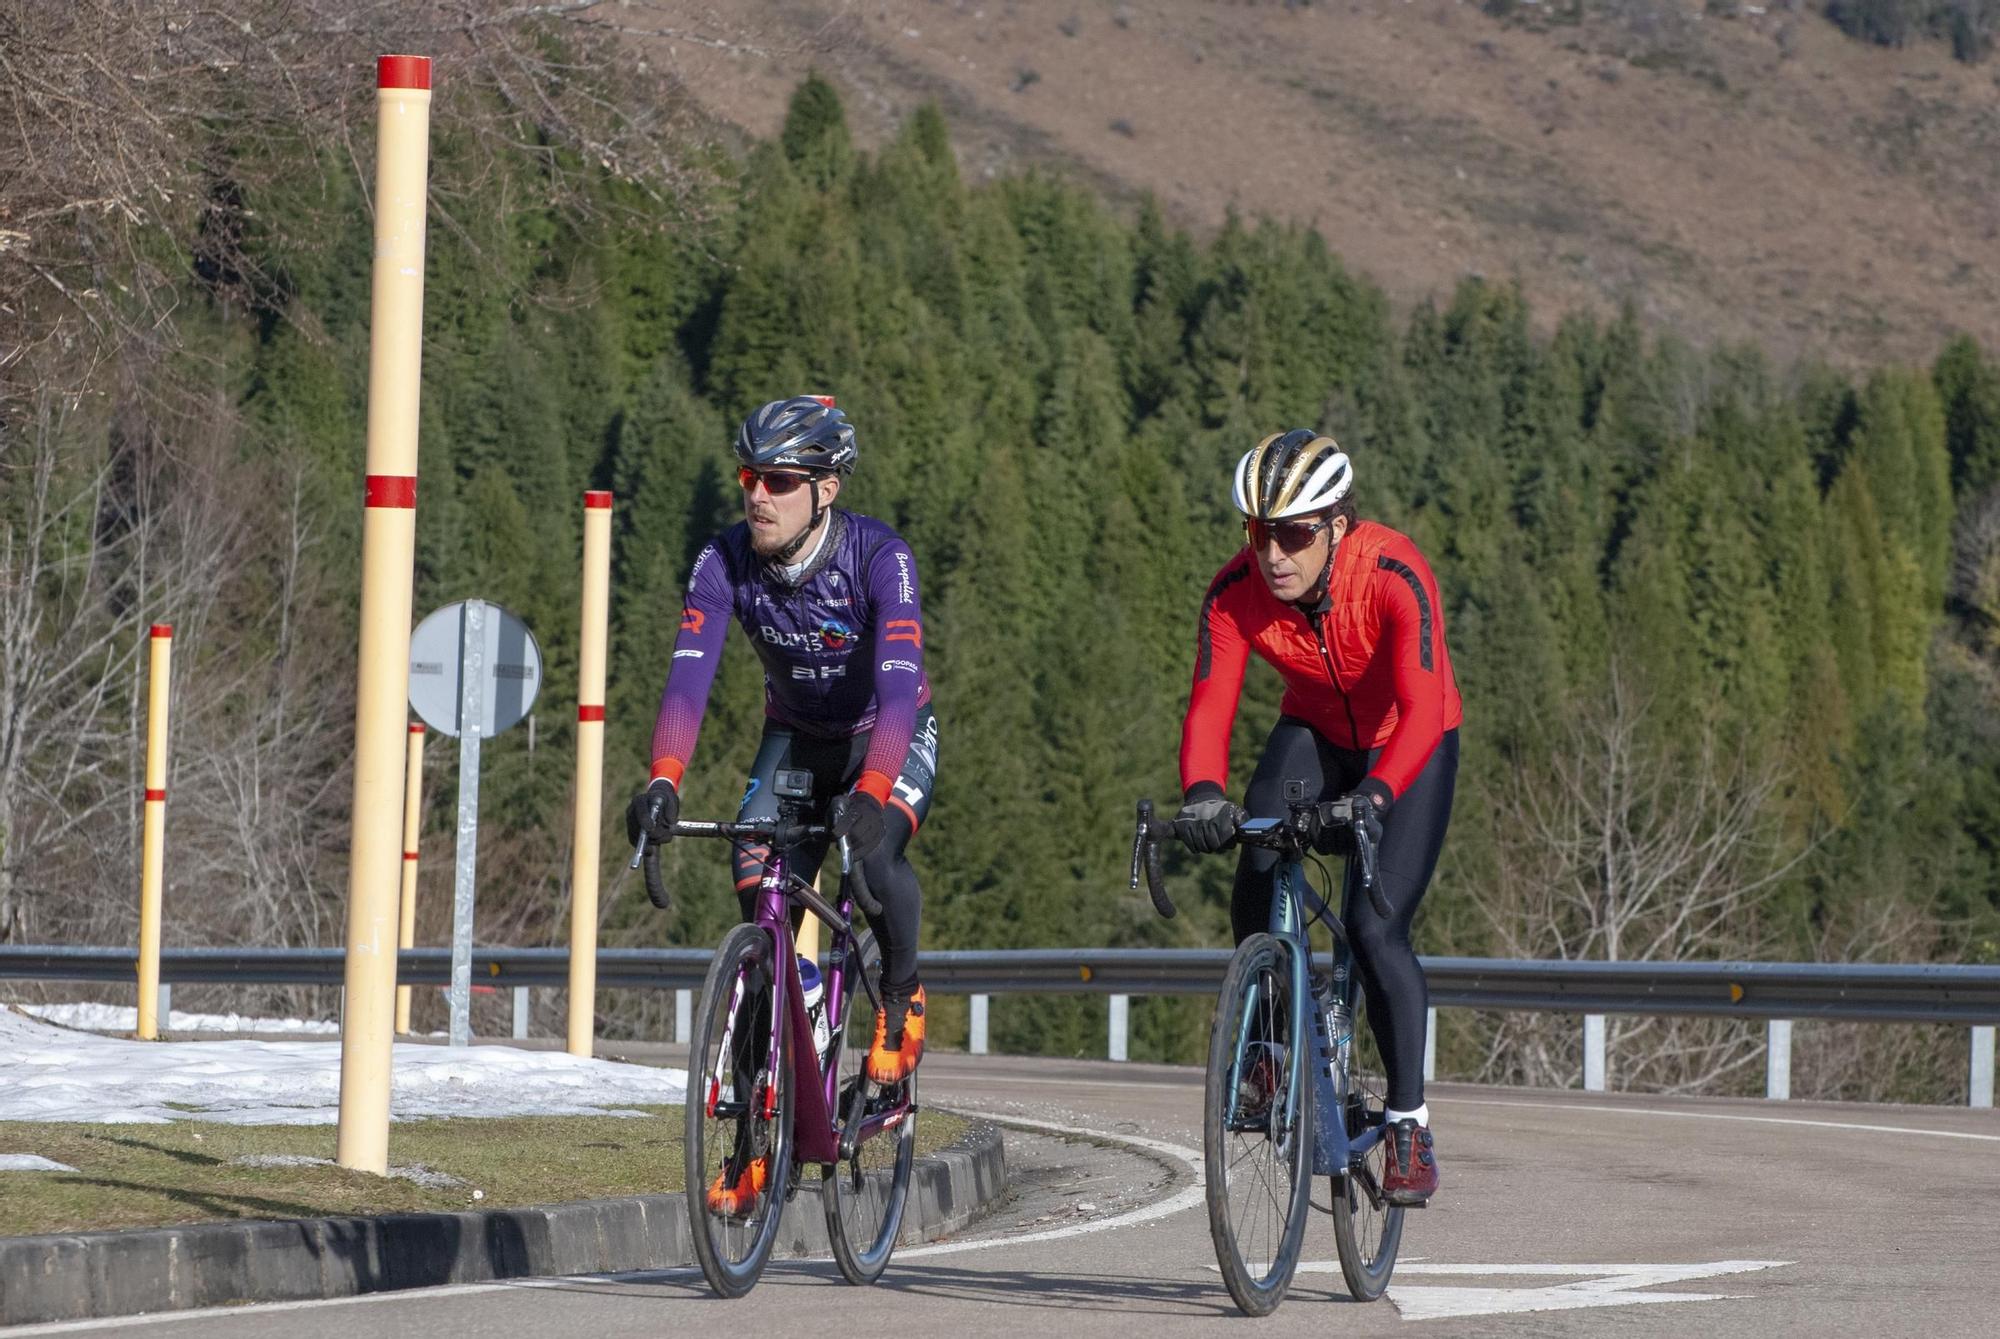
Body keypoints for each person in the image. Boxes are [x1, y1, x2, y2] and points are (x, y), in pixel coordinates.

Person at [627, 395, 938, 1213]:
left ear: (825, 489)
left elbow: (901, 691)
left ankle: (901, 994)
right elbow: (689, 675)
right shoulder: (724, 561)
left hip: (884, 732)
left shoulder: (880, 556)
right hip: (796, 740)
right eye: (748, 476)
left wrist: (872, 791)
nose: (756, 494)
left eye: (779, 479)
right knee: (757, 911)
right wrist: (663, 779)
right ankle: (752, 1138)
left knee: (872, 863)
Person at [1174, 429, 1461, 1207]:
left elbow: (1424, 705)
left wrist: (1378, 794)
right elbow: (1210, 705)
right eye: (1259, 531)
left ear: (1336, 526)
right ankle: (1271, 1047)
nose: (1274, 552)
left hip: (1410, 743)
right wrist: (1202, 790)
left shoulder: (1394, 571)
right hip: (1315, 736)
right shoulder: (1236, 591)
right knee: (1256, 868)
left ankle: (1408, 1122)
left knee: (1374, 928)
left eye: (1294, 532)